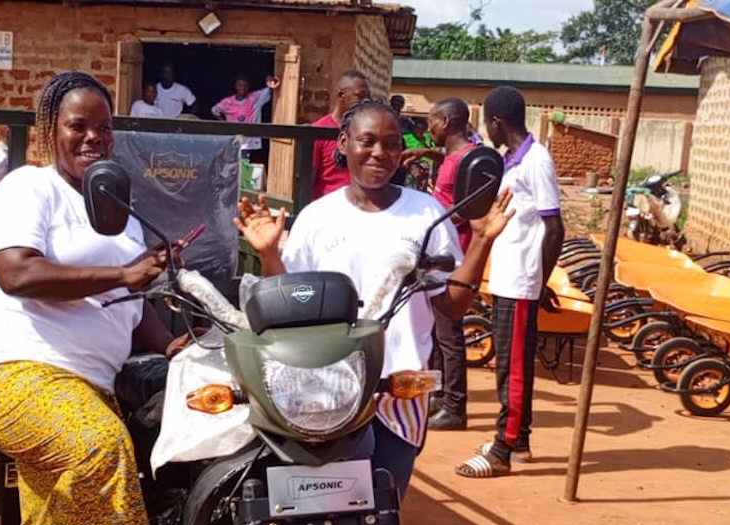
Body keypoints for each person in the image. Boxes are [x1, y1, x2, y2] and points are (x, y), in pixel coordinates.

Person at [0, 71, 194, 525]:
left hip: (85, 386)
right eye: (78, 126)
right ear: (48, 131)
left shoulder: (121, 214)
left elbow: (136, 313)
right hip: (14, 373)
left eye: (104, 128)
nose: (94, 138)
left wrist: (175, 349)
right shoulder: (27, 189)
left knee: (50, 520)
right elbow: (18, 274)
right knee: (101, 449)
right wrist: (123, 274)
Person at [237, 99, 515, 500]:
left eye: (391, 143)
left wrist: (483, 241)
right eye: (367, 141)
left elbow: (451, 306)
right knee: (318, 502)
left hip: (396, 391)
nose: (380, 153)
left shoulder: (426, 214)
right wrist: (269, 255)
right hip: (325, 386)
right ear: (344, 142)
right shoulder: (318, 217)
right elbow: (288, 307)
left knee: (384, 504)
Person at [455, 86, 565, 479]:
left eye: (488, 123)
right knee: (508, 363)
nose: (488, 131)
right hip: (509, 277)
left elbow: (555, 228)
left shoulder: (536, 160)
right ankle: (519, 441)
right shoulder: (509, 161)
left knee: (514, 367)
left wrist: (539, 279)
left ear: (498, 122)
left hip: (521, 281)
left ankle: (502, 449)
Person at [426, 97, 481, 432]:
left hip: (454, 257)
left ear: (446, 122)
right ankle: (438, 394)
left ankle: (456, 407)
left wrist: (434, 218)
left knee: (448, 334)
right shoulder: (453, 156)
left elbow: (468, 207)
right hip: (439, 255)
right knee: (434, 330)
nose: (427, 127)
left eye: (431, 121)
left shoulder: (468, 160)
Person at [310, 70, 370, 199]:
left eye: (368, 97)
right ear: (341, 94)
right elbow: (309, 178)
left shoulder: (364, 130)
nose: (365, 101)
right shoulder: (319, 130)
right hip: (328, 207)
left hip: (359, 206)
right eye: (360, 96)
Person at [210, 73, 280, 158]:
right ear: (235, 86)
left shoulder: (255, 98)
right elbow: (214, 110)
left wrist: (270, 80)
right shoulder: (228, 102)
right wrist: (225, 125)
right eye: (240, 85)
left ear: (248, 87)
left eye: (245, 85)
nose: (242, 88)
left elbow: (271, 89)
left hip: (250, 144)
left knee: (246, 168)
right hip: (233, 143)